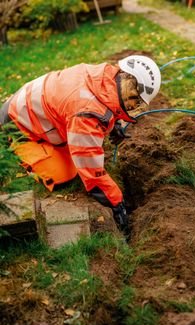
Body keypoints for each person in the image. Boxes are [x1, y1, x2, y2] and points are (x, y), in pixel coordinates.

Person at [0, 55, 161, 236]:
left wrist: (114, 123)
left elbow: (106, 103)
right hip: (18, 124)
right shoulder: (86, 112)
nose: (134, 108)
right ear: (130, 89)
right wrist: (117, 203)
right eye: (136, 102)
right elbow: (92, 173)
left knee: (79, 150)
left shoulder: (106, 76)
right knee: (65, 175)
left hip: (39, 110)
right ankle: (21, 152)